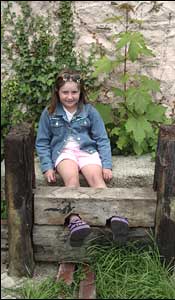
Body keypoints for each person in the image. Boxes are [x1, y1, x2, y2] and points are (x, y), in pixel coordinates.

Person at [35, 68, 128, 246]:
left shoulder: (90, 111)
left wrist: (106, 165)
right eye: (65, 92)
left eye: (74, 92)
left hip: (87, 151)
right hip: (64, 153)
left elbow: (102, 139)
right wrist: (47, 167)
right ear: (57, 92)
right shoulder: (49, 113)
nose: (70, 96)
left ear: (80, 92)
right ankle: (75, 220)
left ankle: (113, 216)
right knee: (71, 179)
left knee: (96, 178)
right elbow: (42, 142)